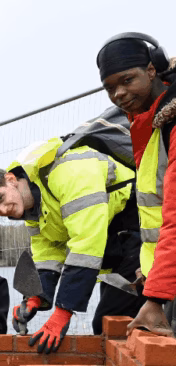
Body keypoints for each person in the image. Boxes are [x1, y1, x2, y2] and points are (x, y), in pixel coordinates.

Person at [0, 136, 140, 352]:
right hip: (118, 250)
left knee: (114, 324)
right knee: (111, 327)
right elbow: (47, 252)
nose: (3, 211)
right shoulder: (32, 208)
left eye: (0, 199)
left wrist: (63, 311)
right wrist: (35, 297)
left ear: (11, 179)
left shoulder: (68, 172)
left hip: (143, 235)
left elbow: (86, 243)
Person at [97, 32, 176, 336]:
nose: (118, 94)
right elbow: (155, 212)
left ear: (152, 70)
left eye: (127, 80)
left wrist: (156, 296)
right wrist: (152, 269)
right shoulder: (149, 125)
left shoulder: (169, 125)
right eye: (109, 88)